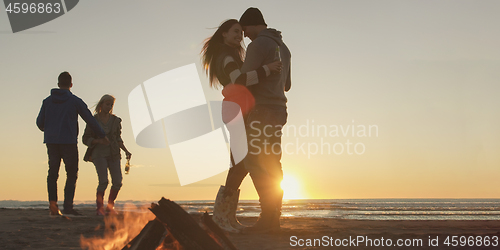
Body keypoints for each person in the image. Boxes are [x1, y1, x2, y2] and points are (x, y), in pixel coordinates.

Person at [201, 19, 282, 232]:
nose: (240, 35)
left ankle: (224, 217)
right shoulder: (226, 56)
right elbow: (240, 80)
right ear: (224, 34)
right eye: (235, 31)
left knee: (240, 162)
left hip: (236, 109)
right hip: (236, 110)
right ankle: (221, 217)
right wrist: (267, 68)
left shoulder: (230, 55)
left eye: (240, 31)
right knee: (240, 161)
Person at [238, 7, 292, 233]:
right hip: (279, 109)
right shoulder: (284, 47)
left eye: (244, 30)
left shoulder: (258, 45)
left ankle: (268, 215)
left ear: (251, 25)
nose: (245, 35)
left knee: (254, 161)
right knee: (272, 162)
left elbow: (244, 79)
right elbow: (287, 85)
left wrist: (262, 72)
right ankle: (273, 218)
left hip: (261, 110)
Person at [36, 71, 107, 217]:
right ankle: (68, 207)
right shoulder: (74, 101)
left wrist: (48, 129)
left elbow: (39, 123)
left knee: (53, 174)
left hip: (51, 142)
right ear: (71, 84)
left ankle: (53, 207)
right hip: (68, 142)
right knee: (72, 174)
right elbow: (89, 119)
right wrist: (102, 134)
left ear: (58, 84)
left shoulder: (47, 101)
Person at [82, 94, 132, 216]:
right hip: (98, 153)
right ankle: (100, 208)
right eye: (107, 104)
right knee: (103, 181)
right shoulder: (93, 120)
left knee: (118, 181)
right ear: (101, 104)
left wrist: (126, 150)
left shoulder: (115, 121)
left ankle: (110, 206)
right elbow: (85, 139)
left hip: (114, 153)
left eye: (111, 105)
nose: (109, 107)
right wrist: (98, 141)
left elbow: (118, 138)